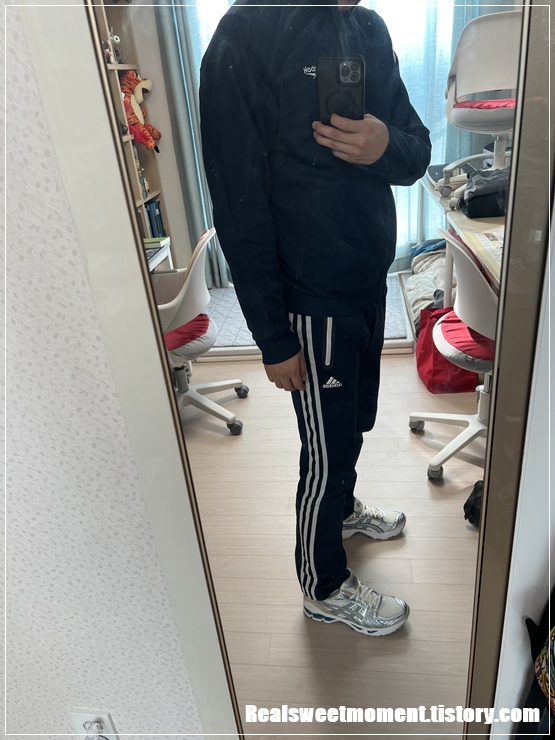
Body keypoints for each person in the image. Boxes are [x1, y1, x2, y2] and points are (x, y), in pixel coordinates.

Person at [200, 0, 431, 636]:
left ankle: (342, 510)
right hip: (311, 295)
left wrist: (384, 146)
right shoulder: (244, 35)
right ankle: (322, 585)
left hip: (368, 277)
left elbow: (415, 149)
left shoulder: (368, 27)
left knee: (352, 424)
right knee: (324, 451)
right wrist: (272, 337)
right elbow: (237, 203)